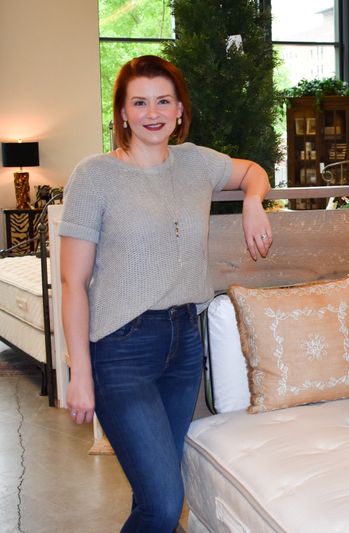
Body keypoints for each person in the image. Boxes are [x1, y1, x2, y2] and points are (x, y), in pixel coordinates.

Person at [59, 55, 272, 532]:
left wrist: (254, 202)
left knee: (154, 494)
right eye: (139, 102)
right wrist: (80, 372)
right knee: (162, 503)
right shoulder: (94, 176)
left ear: (179, 110)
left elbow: (252, 170)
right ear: (122, 113)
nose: (151, 112)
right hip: (121, 350)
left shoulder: (197, 162)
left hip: (183, 346)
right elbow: (73, 282)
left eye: (162, 100)